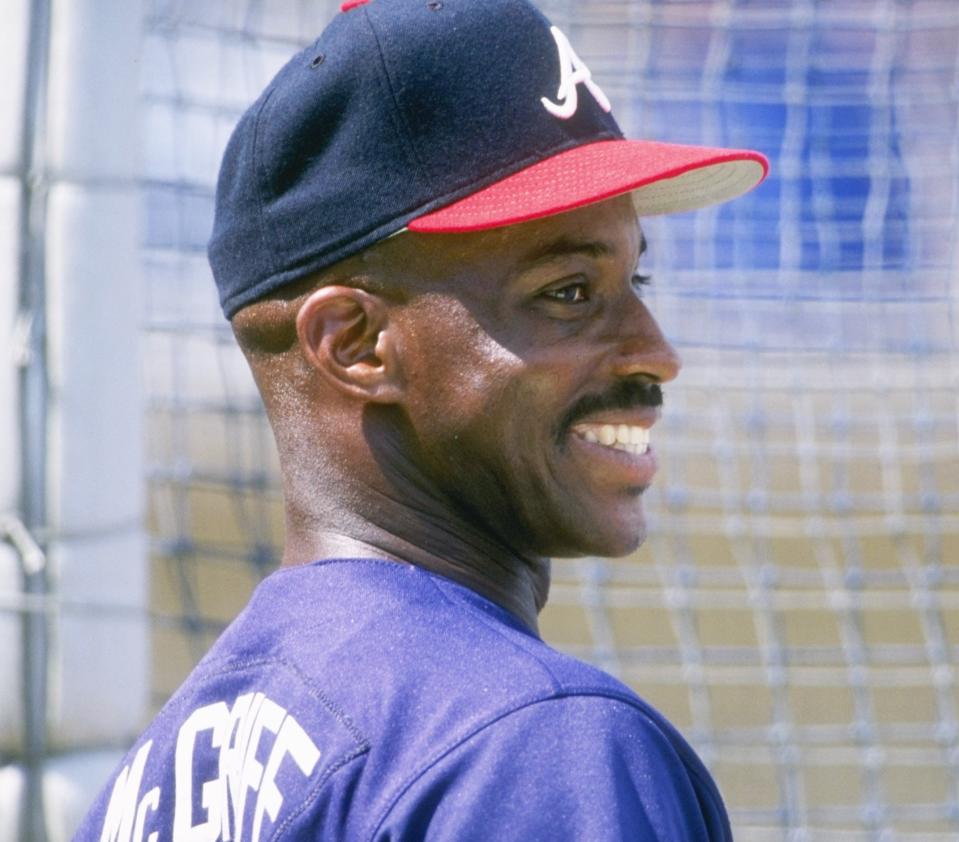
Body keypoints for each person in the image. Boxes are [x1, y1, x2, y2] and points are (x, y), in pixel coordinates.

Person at [77, 0, 766, 838]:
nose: (654, 352)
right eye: (569, 293)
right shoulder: (534, 745)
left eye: (637, 286)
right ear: (357, 344)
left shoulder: (149, 785)